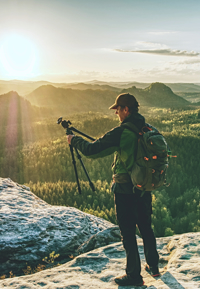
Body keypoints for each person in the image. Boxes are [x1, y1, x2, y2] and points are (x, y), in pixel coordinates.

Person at [67, 93, 160, 286]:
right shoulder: (147, 128)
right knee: (145, 228)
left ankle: (134, 275)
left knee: (127, 233)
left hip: (125, 190)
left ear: (127, 110)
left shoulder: (122, 131)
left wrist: (73, 140)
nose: (116, 112)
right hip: (144, 188)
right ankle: (154, 266)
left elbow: (92, 150)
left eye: (118, 108)